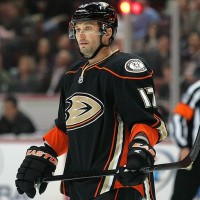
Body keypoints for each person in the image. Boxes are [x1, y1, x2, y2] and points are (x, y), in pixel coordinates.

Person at [15, 2, 168, 200]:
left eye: (88, 28)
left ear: (107, 32)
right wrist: (45, 152)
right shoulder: (72, 74)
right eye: (77, 29)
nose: (81, 35)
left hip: (118, 184)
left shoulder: (126, 68)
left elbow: (147, 122)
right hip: (80, 185)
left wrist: (140, 150)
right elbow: (66, 128)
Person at [170, 68, 200, 200]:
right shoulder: (197, 90)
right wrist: (183, 146)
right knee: (181, 196)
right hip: (195, 154)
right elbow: (178, 117)